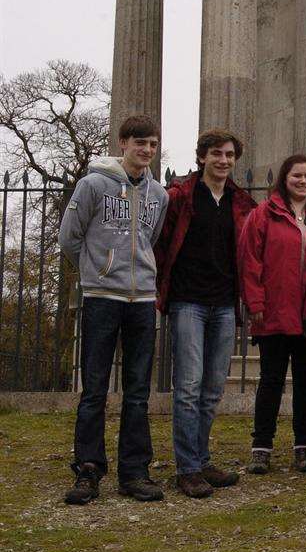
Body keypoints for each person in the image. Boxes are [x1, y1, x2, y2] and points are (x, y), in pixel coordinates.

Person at [58, 114, 170, 504]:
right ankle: (88, 469)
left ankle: (134, 471)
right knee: (95, 389)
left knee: (138, 391)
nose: (147, 150)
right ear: (123, 143)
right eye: (140, 142)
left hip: (142, 300)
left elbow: (150, 238)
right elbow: (70, 237)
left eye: (153, 144)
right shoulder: (93, 185)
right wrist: (98, 270)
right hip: (102, 296)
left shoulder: (160, 195)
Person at [154, 129, 256, 498]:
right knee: (188, 387)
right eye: (216, 154)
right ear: (201, 157)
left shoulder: (241, 202)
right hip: (187, 301)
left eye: (229, 155)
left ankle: (201, 458)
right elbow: (161, 244)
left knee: (212, 389)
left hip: (225, 303)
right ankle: (188, 468)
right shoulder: (180, 196)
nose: (223, 160)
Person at [238, 154, 306, 474]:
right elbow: (250, 260)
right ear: (284, 178)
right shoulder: (262, 215)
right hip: (274, 313)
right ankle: (262, 447)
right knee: (270, 380)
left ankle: (304, 447)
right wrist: (255, 303)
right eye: (297, 176)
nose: (303, 181)